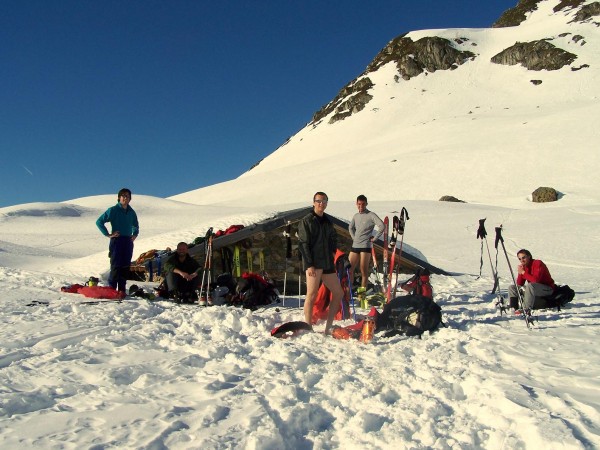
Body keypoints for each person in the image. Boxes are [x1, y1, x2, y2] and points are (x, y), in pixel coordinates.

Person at [298, 191, 344, 334]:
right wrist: (309, 264)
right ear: (313, 202)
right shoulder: (307, 221)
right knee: (311, 294)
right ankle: (307, 326)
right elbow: (303, 244)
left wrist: (332, 252)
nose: (321, 204)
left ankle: (328, 326)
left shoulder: (328, 222)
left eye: (324, 201)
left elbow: (332, 238)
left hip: (327, 263)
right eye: (318, 201)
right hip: (314, 264)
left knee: (338, 292)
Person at [96, 188, 139, 294]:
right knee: (116, 265)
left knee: (125, 266)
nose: (125, 198)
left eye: (127, 196)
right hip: (117, 241)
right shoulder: (113, 210)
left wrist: (135, 234)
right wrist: (108, 234)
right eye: (123, 196)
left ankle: (122, 290)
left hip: (128, 242)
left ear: (130, 199)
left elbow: (135, 225)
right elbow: (99, 222)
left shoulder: (131, 212)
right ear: (119, 198)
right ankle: (112, 290)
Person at [348, 194, 384, 288]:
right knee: (349, 270)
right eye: (359, 204)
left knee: (363, 271)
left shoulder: (371, 215)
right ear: (356, 204)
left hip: (365, 246)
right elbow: (350, 227)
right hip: (355, 246)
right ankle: (348, 292)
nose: (361, 206)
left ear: (366, 204)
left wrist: (375, 238)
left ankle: (362, 294)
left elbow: (382, 226)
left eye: (363, 204)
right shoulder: (356, 216)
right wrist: (354, 238)